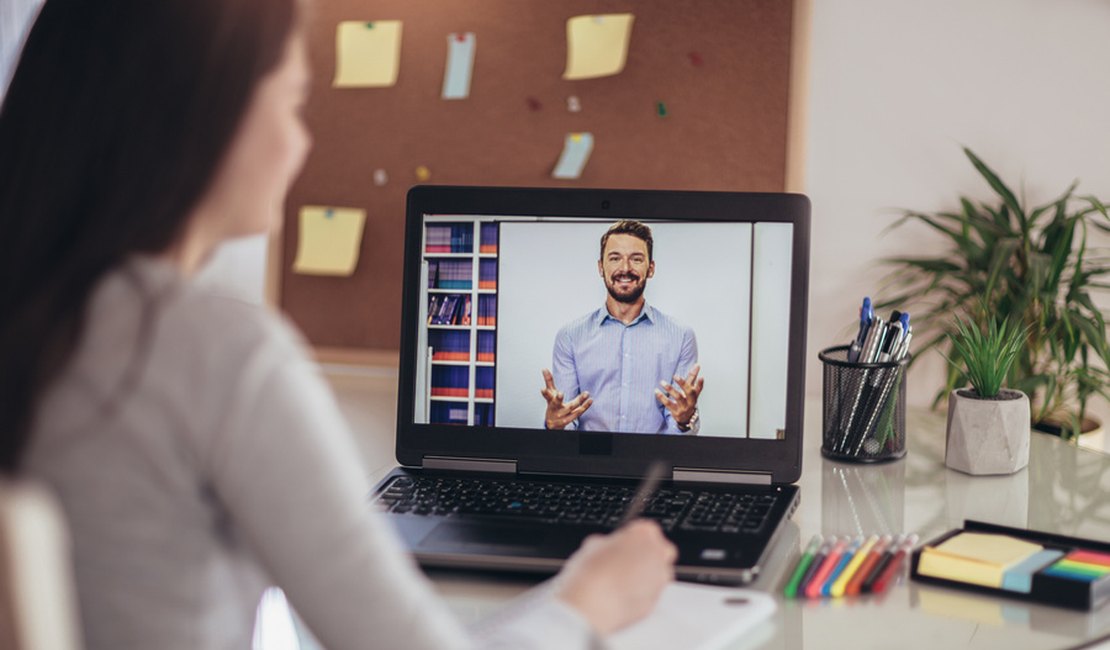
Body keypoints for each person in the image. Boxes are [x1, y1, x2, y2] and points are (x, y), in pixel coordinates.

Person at [0, 1, 676, 649]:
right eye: (294, 103)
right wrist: (590, 599)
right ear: (210, 112)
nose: (303, 141)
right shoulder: (215, 352)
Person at [541, 220, 705, 434]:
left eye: (636, 259)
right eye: (615, 258)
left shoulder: (681, 336)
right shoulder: (570, 337)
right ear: (601, 267)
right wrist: (554, 424)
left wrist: (685, 421)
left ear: (651, 268)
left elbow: (678, 420)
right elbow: (566, 417)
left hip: (653, 462)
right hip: (588, 462)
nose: (625, 268)